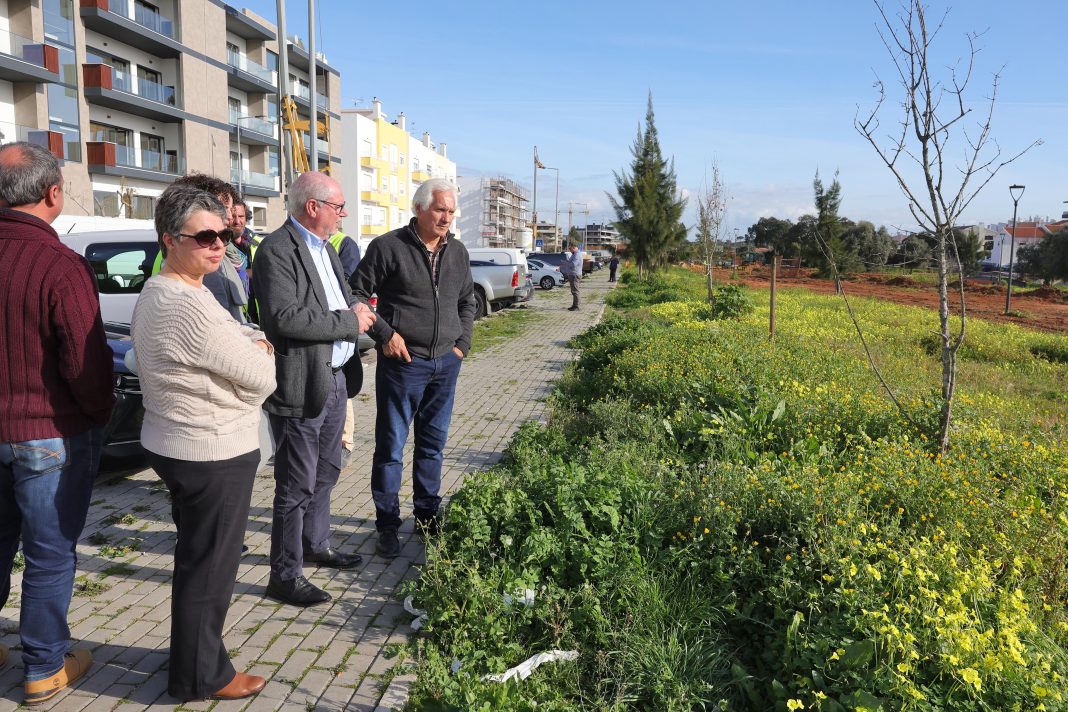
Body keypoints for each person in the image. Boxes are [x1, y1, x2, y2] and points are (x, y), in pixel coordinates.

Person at [132, 184, 276, 702]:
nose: (219, 245)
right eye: (205, 237)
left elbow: (231, 345)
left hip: (180, 441)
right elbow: (262, 376)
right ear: (170, 240)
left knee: (197, 558)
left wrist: (247, 344)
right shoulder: (186, 305)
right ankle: (201, 677)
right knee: (211, 567)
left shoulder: (164, 291)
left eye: (224, 235)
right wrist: (258, 347)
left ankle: (192, 656)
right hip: (210, 449)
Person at [0, 142, 114, 705]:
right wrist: (99, 414)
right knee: (49, 553)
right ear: (52, 193)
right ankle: (44, 666)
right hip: (47, 431)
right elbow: (84, 362)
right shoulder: (60, 264)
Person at [253, 172, 376, 606]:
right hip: (301, 382)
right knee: (296, 482)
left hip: (336, 376)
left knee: (328, 468)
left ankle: (315, 543)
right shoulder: (277, 250)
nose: (343, 214)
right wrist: (347, 321)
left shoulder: (326, 248)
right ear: (313, 207)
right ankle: (285, 575)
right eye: (338, 207)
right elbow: (284, 317)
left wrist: (355, 306)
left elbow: (339, 299)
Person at [351, 177, 475, 559]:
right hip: (403, 364)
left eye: (451, 211)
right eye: (440, 209)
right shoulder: (388, 247)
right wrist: (385, 334)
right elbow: (355, 293)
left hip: (445, 363)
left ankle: (426, 517)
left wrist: (462, 344)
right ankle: (387, 525)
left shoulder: (458, 252)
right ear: (419, 208)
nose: (446, 218)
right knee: (391, 447)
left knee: (433, 446)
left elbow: (467, 301)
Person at [560, 244, 583, 310]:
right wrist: (566, 262)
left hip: (574, 275)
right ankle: (574, 305)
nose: (569, 250)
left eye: (570, 249)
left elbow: (573, 264)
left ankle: (576, 306)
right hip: (573, 274)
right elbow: (571, 263)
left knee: (575, 291)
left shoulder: (577, 255)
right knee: (574, 291)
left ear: (574, 248)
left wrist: (566, 263)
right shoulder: (574, 254)